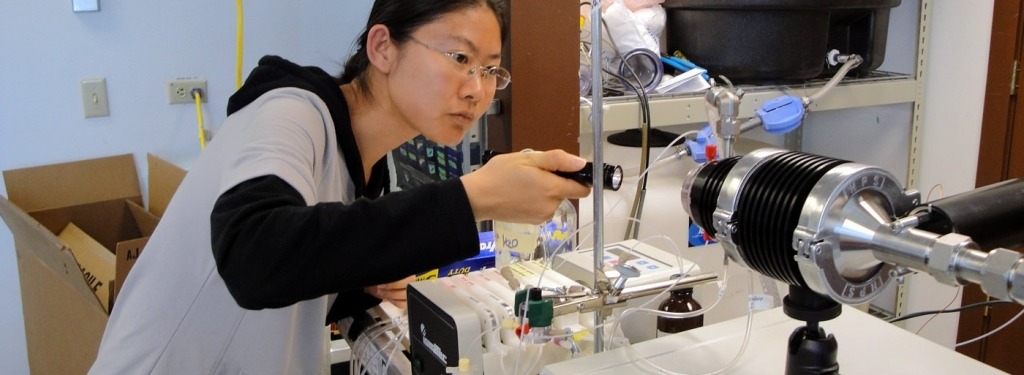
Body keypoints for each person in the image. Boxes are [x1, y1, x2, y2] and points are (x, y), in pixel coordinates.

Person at [88, 0, 591, 373]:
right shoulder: (290, 114)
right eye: (459, 58)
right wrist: (471, 197)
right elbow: (253, 253)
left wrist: (357, 282)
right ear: (382, 48)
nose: (476, 89)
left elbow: (312, 253)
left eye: (489, 70)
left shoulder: (363, 169)